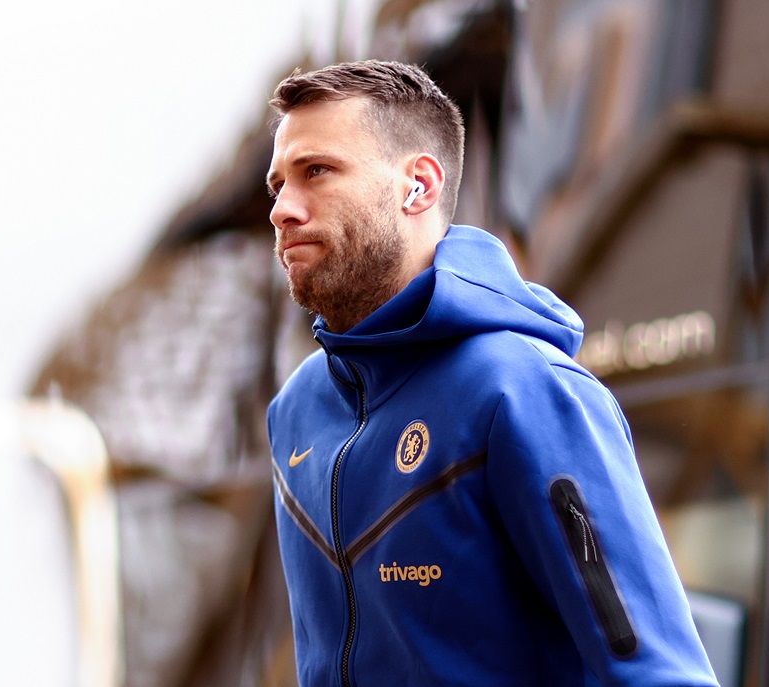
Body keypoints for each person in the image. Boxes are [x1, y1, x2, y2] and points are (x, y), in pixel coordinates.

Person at [264, 59, 719, 686]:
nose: (283, 209)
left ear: (417, 185)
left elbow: (657, 674)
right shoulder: (295, 410)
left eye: (316, 171)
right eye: (277, 185)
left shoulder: (525, 388)